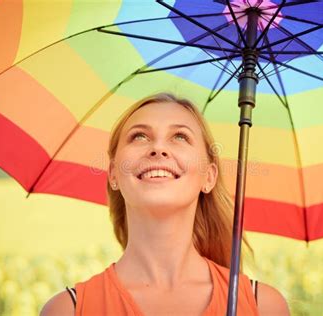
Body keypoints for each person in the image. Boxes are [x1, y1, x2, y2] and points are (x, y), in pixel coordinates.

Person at [40, 93, 290, 315]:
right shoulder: (66, 310)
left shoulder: (264, 307)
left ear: (209, 176)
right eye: (139, 136)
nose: (158, 148)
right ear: (114, 173)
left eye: (180, 136)